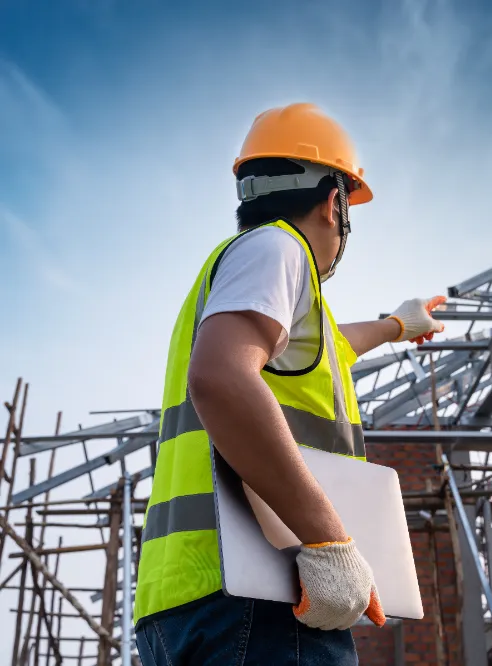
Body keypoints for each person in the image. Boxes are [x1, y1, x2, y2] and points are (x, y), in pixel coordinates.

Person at [132, 103, 445, 665]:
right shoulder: (280, 249)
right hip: (261, 599)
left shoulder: (239, 272)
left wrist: (399, 325)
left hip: (186, 596)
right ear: (334, 203)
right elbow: (223, 376)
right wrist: (328, 539)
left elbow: (326, 346)